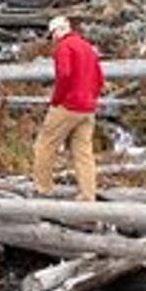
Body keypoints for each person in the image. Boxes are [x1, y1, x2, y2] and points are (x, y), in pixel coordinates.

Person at [32, 14, 103, 202]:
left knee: (45, 144)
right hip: (87, 108)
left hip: (68, 105)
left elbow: (64, 75)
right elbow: (99, 78)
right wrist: (91, 99)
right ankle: (88, 195)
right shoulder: (87, 47)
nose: (52, 39)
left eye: (52, 34)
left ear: (56, 32)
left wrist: (56, 100)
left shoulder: (63, 47)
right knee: (83, 153)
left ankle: (42, 189)